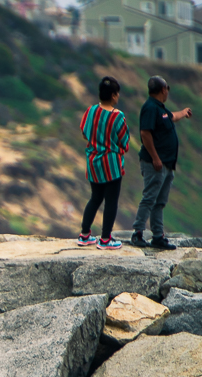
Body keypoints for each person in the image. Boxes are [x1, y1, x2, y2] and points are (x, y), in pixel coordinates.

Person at [130, 75, 193, 250]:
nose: (168, 92)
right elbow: (145, 133)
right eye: (167, 89)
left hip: (166, 164)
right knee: (150, 197)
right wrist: (156, 157)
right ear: (163, 89)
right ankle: (138, 233)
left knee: (160, 201)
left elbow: (171, 116)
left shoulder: (160, 109)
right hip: (154, 163)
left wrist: (184, 112)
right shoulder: (150, 107)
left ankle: (158, 236)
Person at [77, 76, 130, 250]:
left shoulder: (90, 111)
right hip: (111, 166)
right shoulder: (118, 117)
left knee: (95, 198)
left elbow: (85, 133)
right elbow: (125, 143)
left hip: (93, 163)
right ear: (114, 96)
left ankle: (84, 235)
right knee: (111, 202)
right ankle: (105, 239)